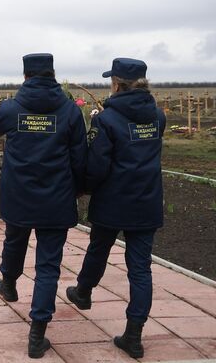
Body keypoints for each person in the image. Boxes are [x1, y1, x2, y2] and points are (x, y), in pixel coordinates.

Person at [0, 53, 87, 359]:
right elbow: (80, 157)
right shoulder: (69, 111)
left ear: (25, 76)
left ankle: (10, 283)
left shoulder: (12, 107)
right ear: (53, 74)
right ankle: (37, 332)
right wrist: (79, 189)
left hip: (19, 195)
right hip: (56, 197)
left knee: (14, 240)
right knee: (48, 265)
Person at [65, 58, 165, 359]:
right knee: (140, 267)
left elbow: (97, 165)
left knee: (99, 248)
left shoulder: (106, 120)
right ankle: (134, 334)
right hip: (146, 200)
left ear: (117, 84)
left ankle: (83, 292)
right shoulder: (158, 117)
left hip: (113, 199)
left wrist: (85, 186)